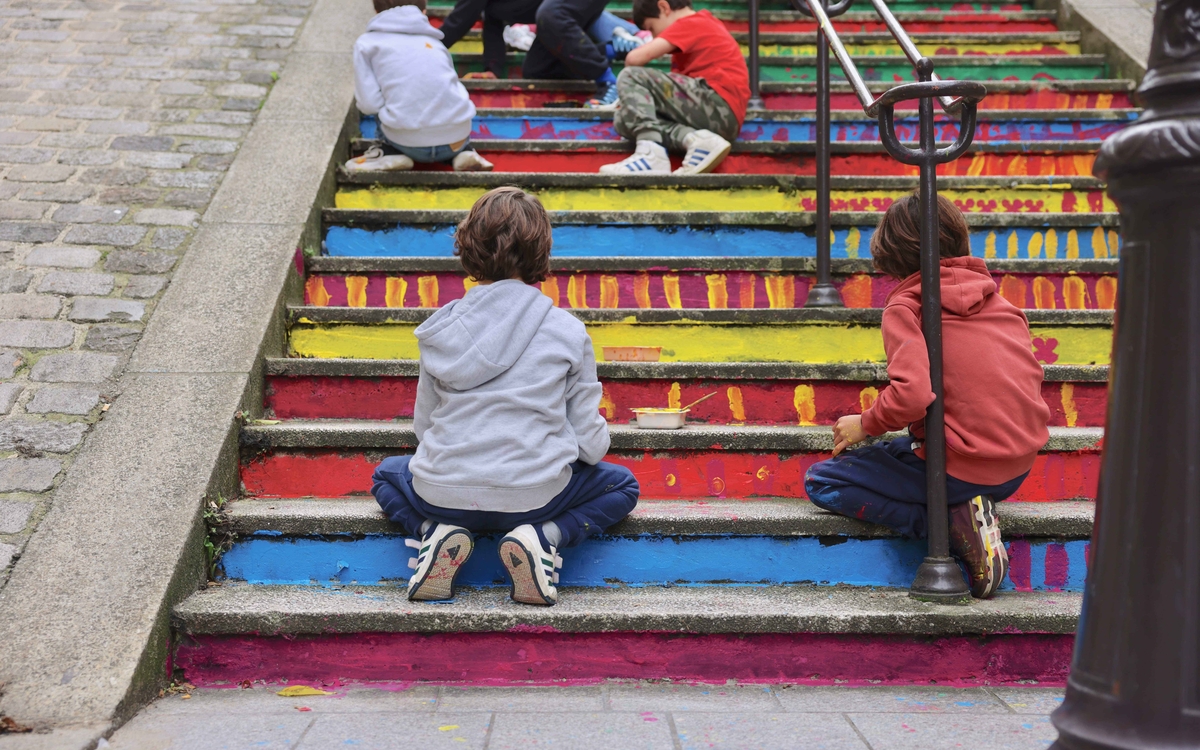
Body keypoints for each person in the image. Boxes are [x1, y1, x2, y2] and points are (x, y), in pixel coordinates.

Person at [372, 187, 640, 606]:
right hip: (536, 497)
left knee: (386, 475)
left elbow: (424, 429)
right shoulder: (567, 330)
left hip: (442, 496)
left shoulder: (440, 330)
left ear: (468, 248)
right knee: (622, 485)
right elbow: (590, 446)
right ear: (542, 252)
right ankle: (543, 538)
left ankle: (432, 533)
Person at [803, 194, 1051, 599]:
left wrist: (865, 423)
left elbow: (913, 394)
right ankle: (968, 505)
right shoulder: (1003, 304)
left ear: (891, 255)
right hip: (1016, 468)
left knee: (823, 481)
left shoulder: (908, 306)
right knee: (903, 448)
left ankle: (952, 525)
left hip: (959, 469)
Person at [597, 0, 749, 175]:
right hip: (717, 115)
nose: (654, 36)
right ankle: (695, 140)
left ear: (664, 7)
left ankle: (651, 153)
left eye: (652, 28)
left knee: (631, 75)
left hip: (717, 103)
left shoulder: (692, 22)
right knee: (624, 120)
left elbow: (634, 59)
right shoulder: (698, 28)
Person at [349, 0, 493, 172]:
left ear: (376, 10)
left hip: (406, 142)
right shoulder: (435, 43)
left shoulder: (367, 43)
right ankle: (464, 152)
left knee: (383, 100)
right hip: (457, 139)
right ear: (423, 11)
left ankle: (390, 152)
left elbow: (369, 104)